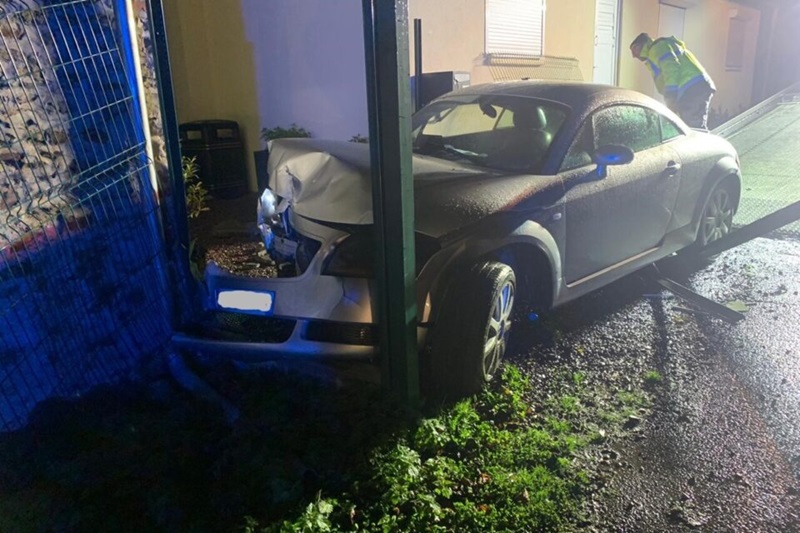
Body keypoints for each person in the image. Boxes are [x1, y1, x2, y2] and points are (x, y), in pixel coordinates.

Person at [629, 32, 716, 129]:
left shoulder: (657, 47)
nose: (634, 56)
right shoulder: (656, 50)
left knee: (691, 127)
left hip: (691, 87)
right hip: (695, 86)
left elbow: (671, 67)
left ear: (641, 45)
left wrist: (671, 93)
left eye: (634, 50)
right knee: (693, 126)